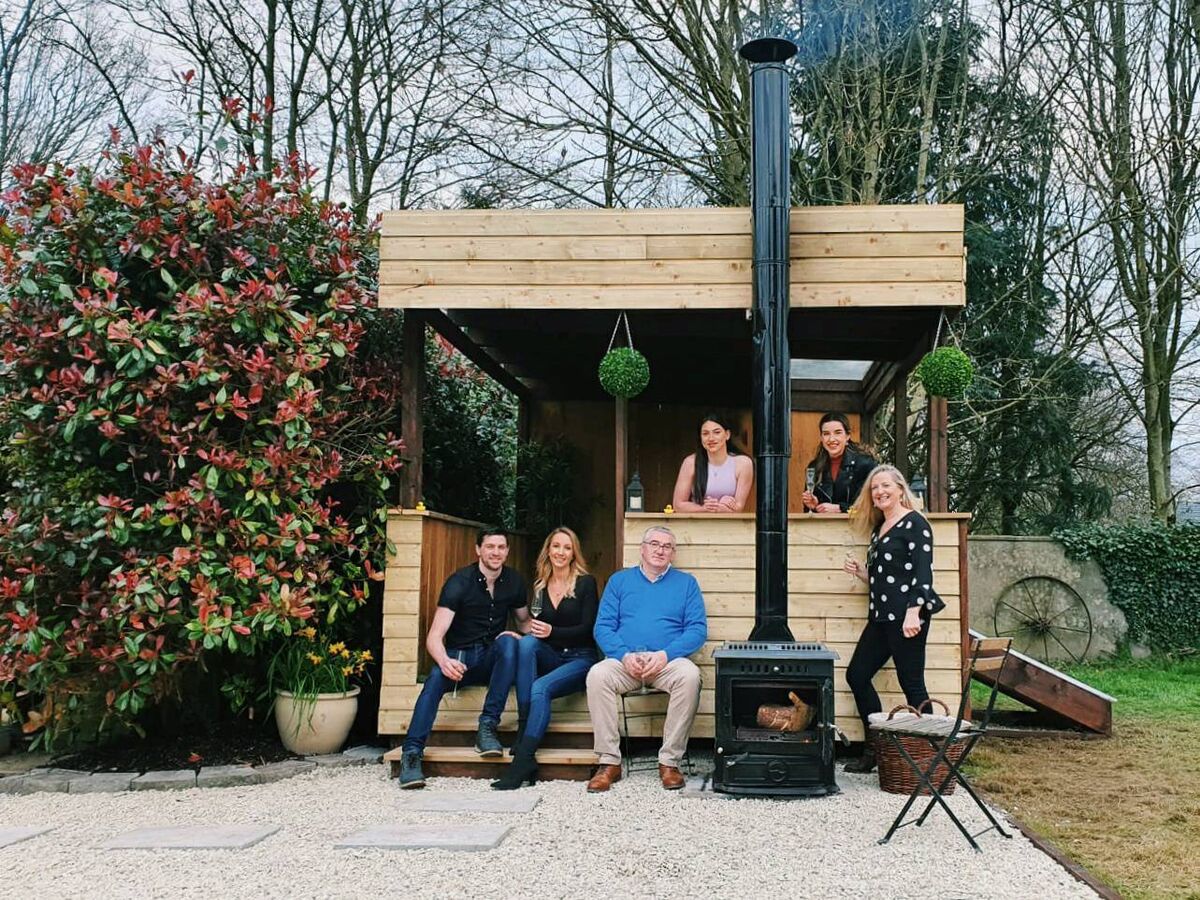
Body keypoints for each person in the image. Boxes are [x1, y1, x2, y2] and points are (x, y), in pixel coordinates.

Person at [397, 528, 530, 789]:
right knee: (434, 681)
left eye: (501, 547)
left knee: (508, 642)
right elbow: (434, 637)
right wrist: (445, 661)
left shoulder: (513, 581)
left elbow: (524, 622)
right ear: (478, 550)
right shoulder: (459, 582)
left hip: (492, 660)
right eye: (490, 547)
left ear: (507, 551)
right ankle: (411, 755)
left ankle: (487, 727)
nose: (496, 552)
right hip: (460, 660)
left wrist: (543, 635)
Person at [585, 525, 707, 792]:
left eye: (666, 546)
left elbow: (697, 630)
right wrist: (623, 655)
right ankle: (609, 762)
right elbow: (602, 627)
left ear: (673, 553)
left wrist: (665, 655)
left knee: (690, 676)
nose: (660, 550)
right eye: (654, 544)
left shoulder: (686, 584)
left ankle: (669, 762)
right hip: (625, 661)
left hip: (666, 662)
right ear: (642, 549)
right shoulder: (619, 581)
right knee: (597, 674)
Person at [841, 465, 946, 773]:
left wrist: (914, 612)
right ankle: (875, 751)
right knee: (857, 675)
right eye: (874, 488)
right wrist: (864, 574)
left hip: (906, 617)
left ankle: (929, 759)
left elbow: (923, 575)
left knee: (911, 684)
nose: (880, 492)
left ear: (901, 489)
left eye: (885, 485)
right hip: (881, 617)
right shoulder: (880, 527)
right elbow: (888, 576)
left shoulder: (915, 523)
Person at [491, 527, 599, 791]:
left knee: (540, 688)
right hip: (552, 656)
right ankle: (525, 727)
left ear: (574, 553)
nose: (560, 552)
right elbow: (535, 626)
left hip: (580, 658)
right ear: (548, 550)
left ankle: (524, 757)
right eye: (556, 546)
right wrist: (517, 634)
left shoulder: (586, 583)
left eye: (567, 547)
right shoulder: (540, 585)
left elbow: (589, 628)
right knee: (526, 644)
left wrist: (554, 632)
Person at [671, 413, 754, 512]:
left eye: (717, 432)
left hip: (729, 525)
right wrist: (704, 508)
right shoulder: (690, 462)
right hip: (696, 524)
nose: (711, 438)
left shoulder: (743, 463)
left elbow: (739, 508)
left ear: (727, 435)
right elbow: (678, 505)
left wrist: (721, 507)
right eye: (705, 434)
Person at [802, 412, 876, 513]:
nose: (831, 439)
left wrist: (841, 508)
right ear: (821, 438)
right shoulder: (814, 467)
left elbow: (873, 504)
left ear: (848, 436)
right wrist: (814, 506)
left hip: (857, 527)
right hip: (824, 527)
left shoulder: (865, 464)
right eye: (826, 434)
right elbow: (808, 514)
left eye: (838, 432)